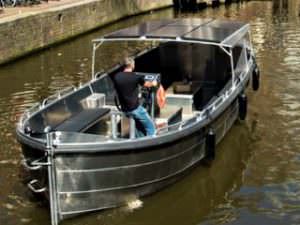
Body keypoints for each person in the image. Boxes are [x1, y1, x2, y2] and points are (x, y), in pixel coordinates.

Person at [113, 57, 157, 137]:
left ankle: (139, 138)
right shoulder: (135, 77)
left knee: (137, 126)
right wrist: (154, 83)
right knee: (151, 127)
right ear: (132, 65)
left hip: (124, 110)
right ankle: (151, 139)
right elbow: (147, 84)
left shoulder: (116, 77)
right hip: (135, 109)